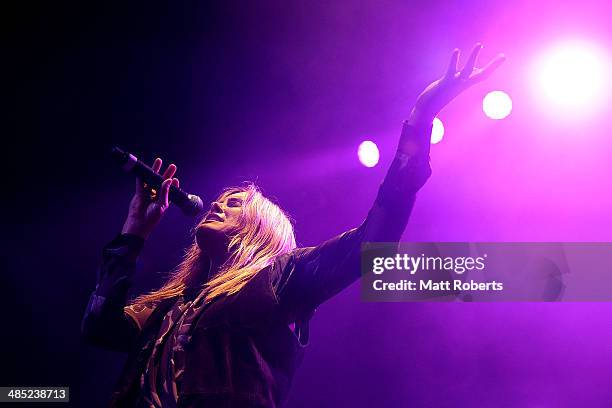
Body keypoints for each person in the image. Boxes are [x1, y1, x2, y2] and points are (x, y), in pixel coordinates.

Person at [82, 44, 505, 407]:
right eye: (220, 199)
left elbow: (373, 242)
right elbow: (99, 328)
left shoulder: (281, 278)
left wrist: (422, 115)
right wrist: (133, 233)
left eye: (234, 204)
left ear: (259, 227)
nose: (217, 205)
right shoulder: (172, 307)